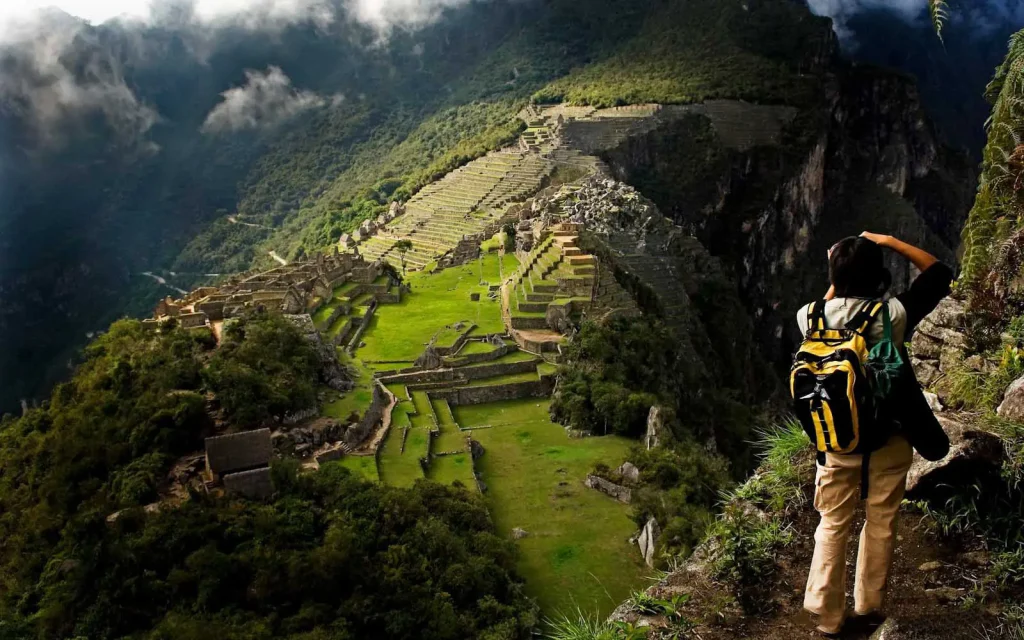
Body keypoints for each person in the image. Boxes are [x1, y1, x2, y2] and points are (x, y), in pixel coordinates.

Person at [798, 232, 953, 636]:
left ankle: (827, 617)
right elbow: (938, 274)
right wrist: (888, 240)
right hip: (890, 437)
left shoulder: (808, 316)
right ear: (879, 275)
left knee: (832, 523)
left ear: (835, 273)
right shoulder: (893, 317)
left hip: (834, 438)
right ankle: (867, 606)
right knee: (881, 519)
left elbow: (829, 304)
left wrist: (837, 272)